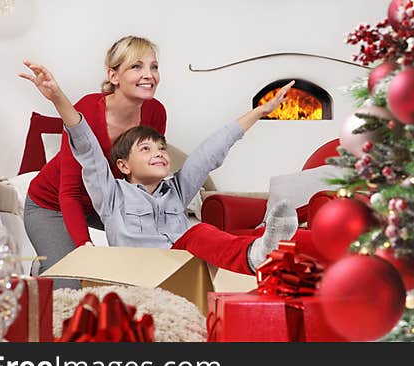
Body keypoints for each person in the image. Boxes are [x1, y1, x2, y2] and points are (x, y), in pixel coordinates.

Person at [20, 61, 302, 274]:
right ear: (123, 165)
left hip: (175, 267)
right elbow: (87, 149)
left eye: (161, 148)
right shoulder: (111, 195)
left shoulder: (177, 191)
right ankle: (44, 270)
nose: (158, 154)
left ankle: (262, 252)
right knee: (72, 283)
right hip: (136, 271)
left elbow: (210, 151)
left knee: (201, 232)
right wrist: (57, 96)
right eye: (145, 149)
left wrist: (259, 112)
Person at [23, 36, 166, 289]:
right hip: (51, 204)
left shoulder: (155, 112)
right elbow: (69, 192)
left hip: (104, 203)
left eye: (153, 67)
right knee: (72, 286)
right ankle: (46, 269)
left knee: (146, 268)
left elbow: (142, 179)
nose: (149, 75)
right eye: (136, 66)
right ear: (113, 75)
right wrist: (84, 247)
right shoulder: (87, 110)